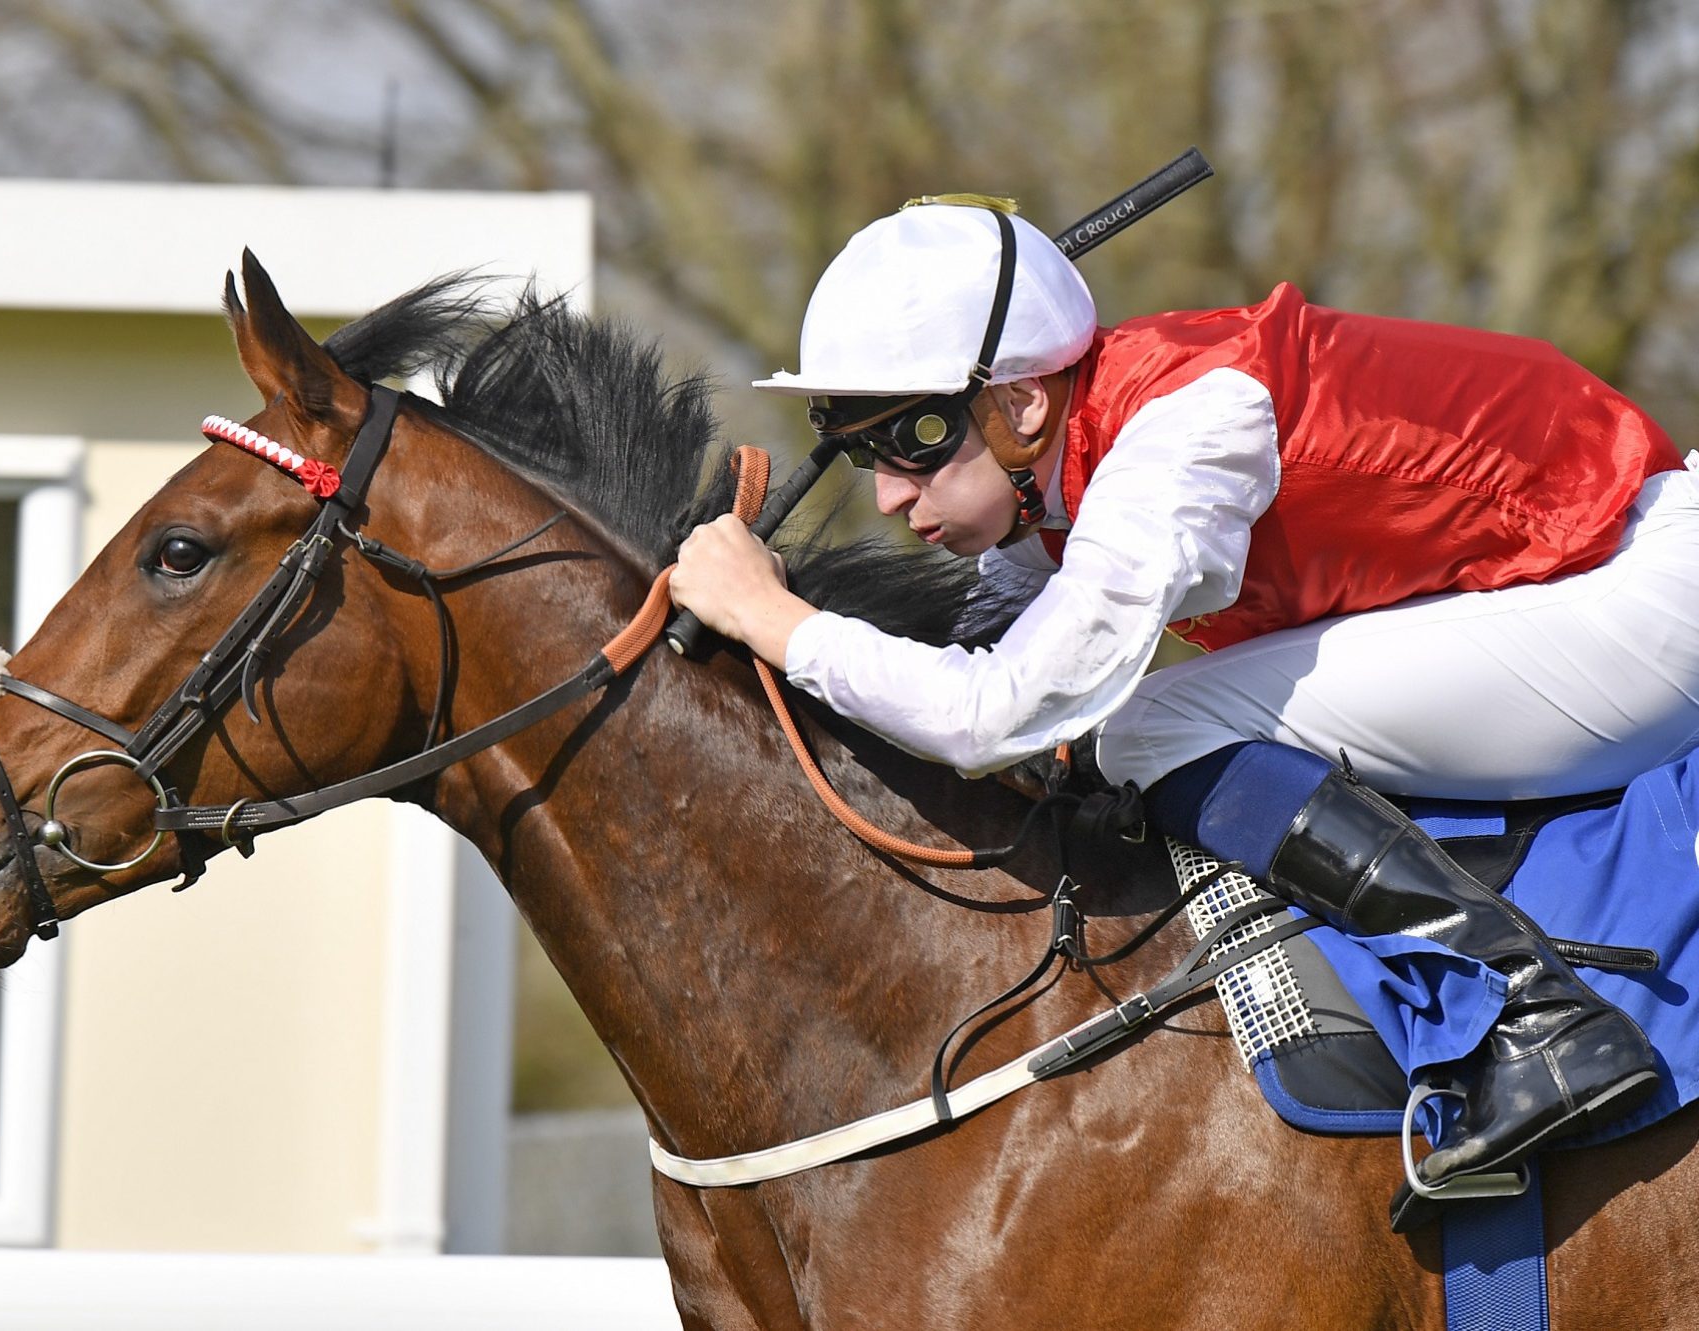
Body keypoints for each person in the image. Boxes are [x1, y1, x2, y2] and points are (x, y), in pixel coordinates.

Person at [669, 196, 1699, 1213]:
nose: (892, 495)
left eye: (914, 440)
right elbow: (985, 664)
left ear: (1023, 404)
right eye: (863, 451)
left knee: (1152, 721)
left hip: (1643, 592)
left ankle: (1531, 1006)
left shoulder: (1185, 435)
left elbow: (994, 715)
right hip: (1579, 580)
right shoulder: (1058, 473)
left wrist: (774, 618)